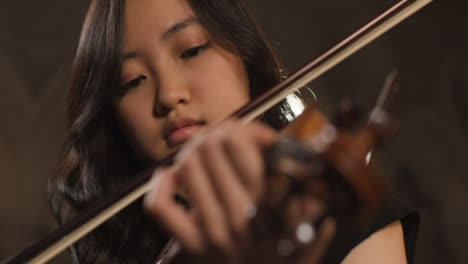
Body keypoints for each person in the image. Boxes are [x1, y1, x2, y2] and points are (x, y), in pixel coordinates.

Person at [49, 0, 418, 263]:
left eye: (192, 50)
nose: (169, 95)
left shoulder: (338, 216)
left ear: (243, 54)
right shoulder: (117, 248)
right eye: (132, 82)